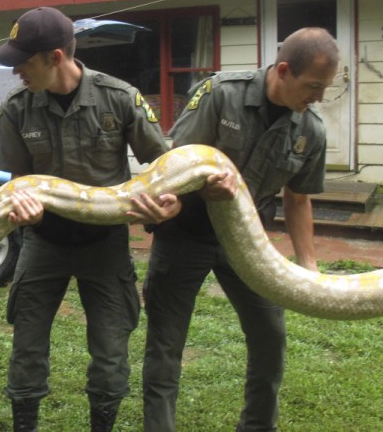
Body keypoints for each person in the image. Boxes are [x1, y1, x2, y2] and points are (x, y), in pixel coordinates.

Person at [136, 27, 339, 432]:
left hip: (250, 243)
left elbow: (298, 199)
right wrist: (199, 185)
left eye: (325, 88)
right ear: (283, 70)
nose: (318, 98)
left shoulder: (310, 130)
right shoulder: (221, 93)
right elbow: (177, 161)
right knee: (165, 344)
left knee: (270, 336)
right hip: (186, 233)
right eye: (313, 86)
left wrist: (309, 266)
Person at [0, 6, 180, 432]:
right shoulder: (19, 107)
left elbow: (165, 166)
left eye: (23, 61)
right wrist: (21, 204)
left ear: (55, 57)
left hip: (105, 244)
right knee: (27, 344)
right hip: (44, 241)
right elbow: (18, 179)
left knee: (111, 347)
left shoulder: (119, 97)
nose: (16, 70)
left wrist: (169, 202)